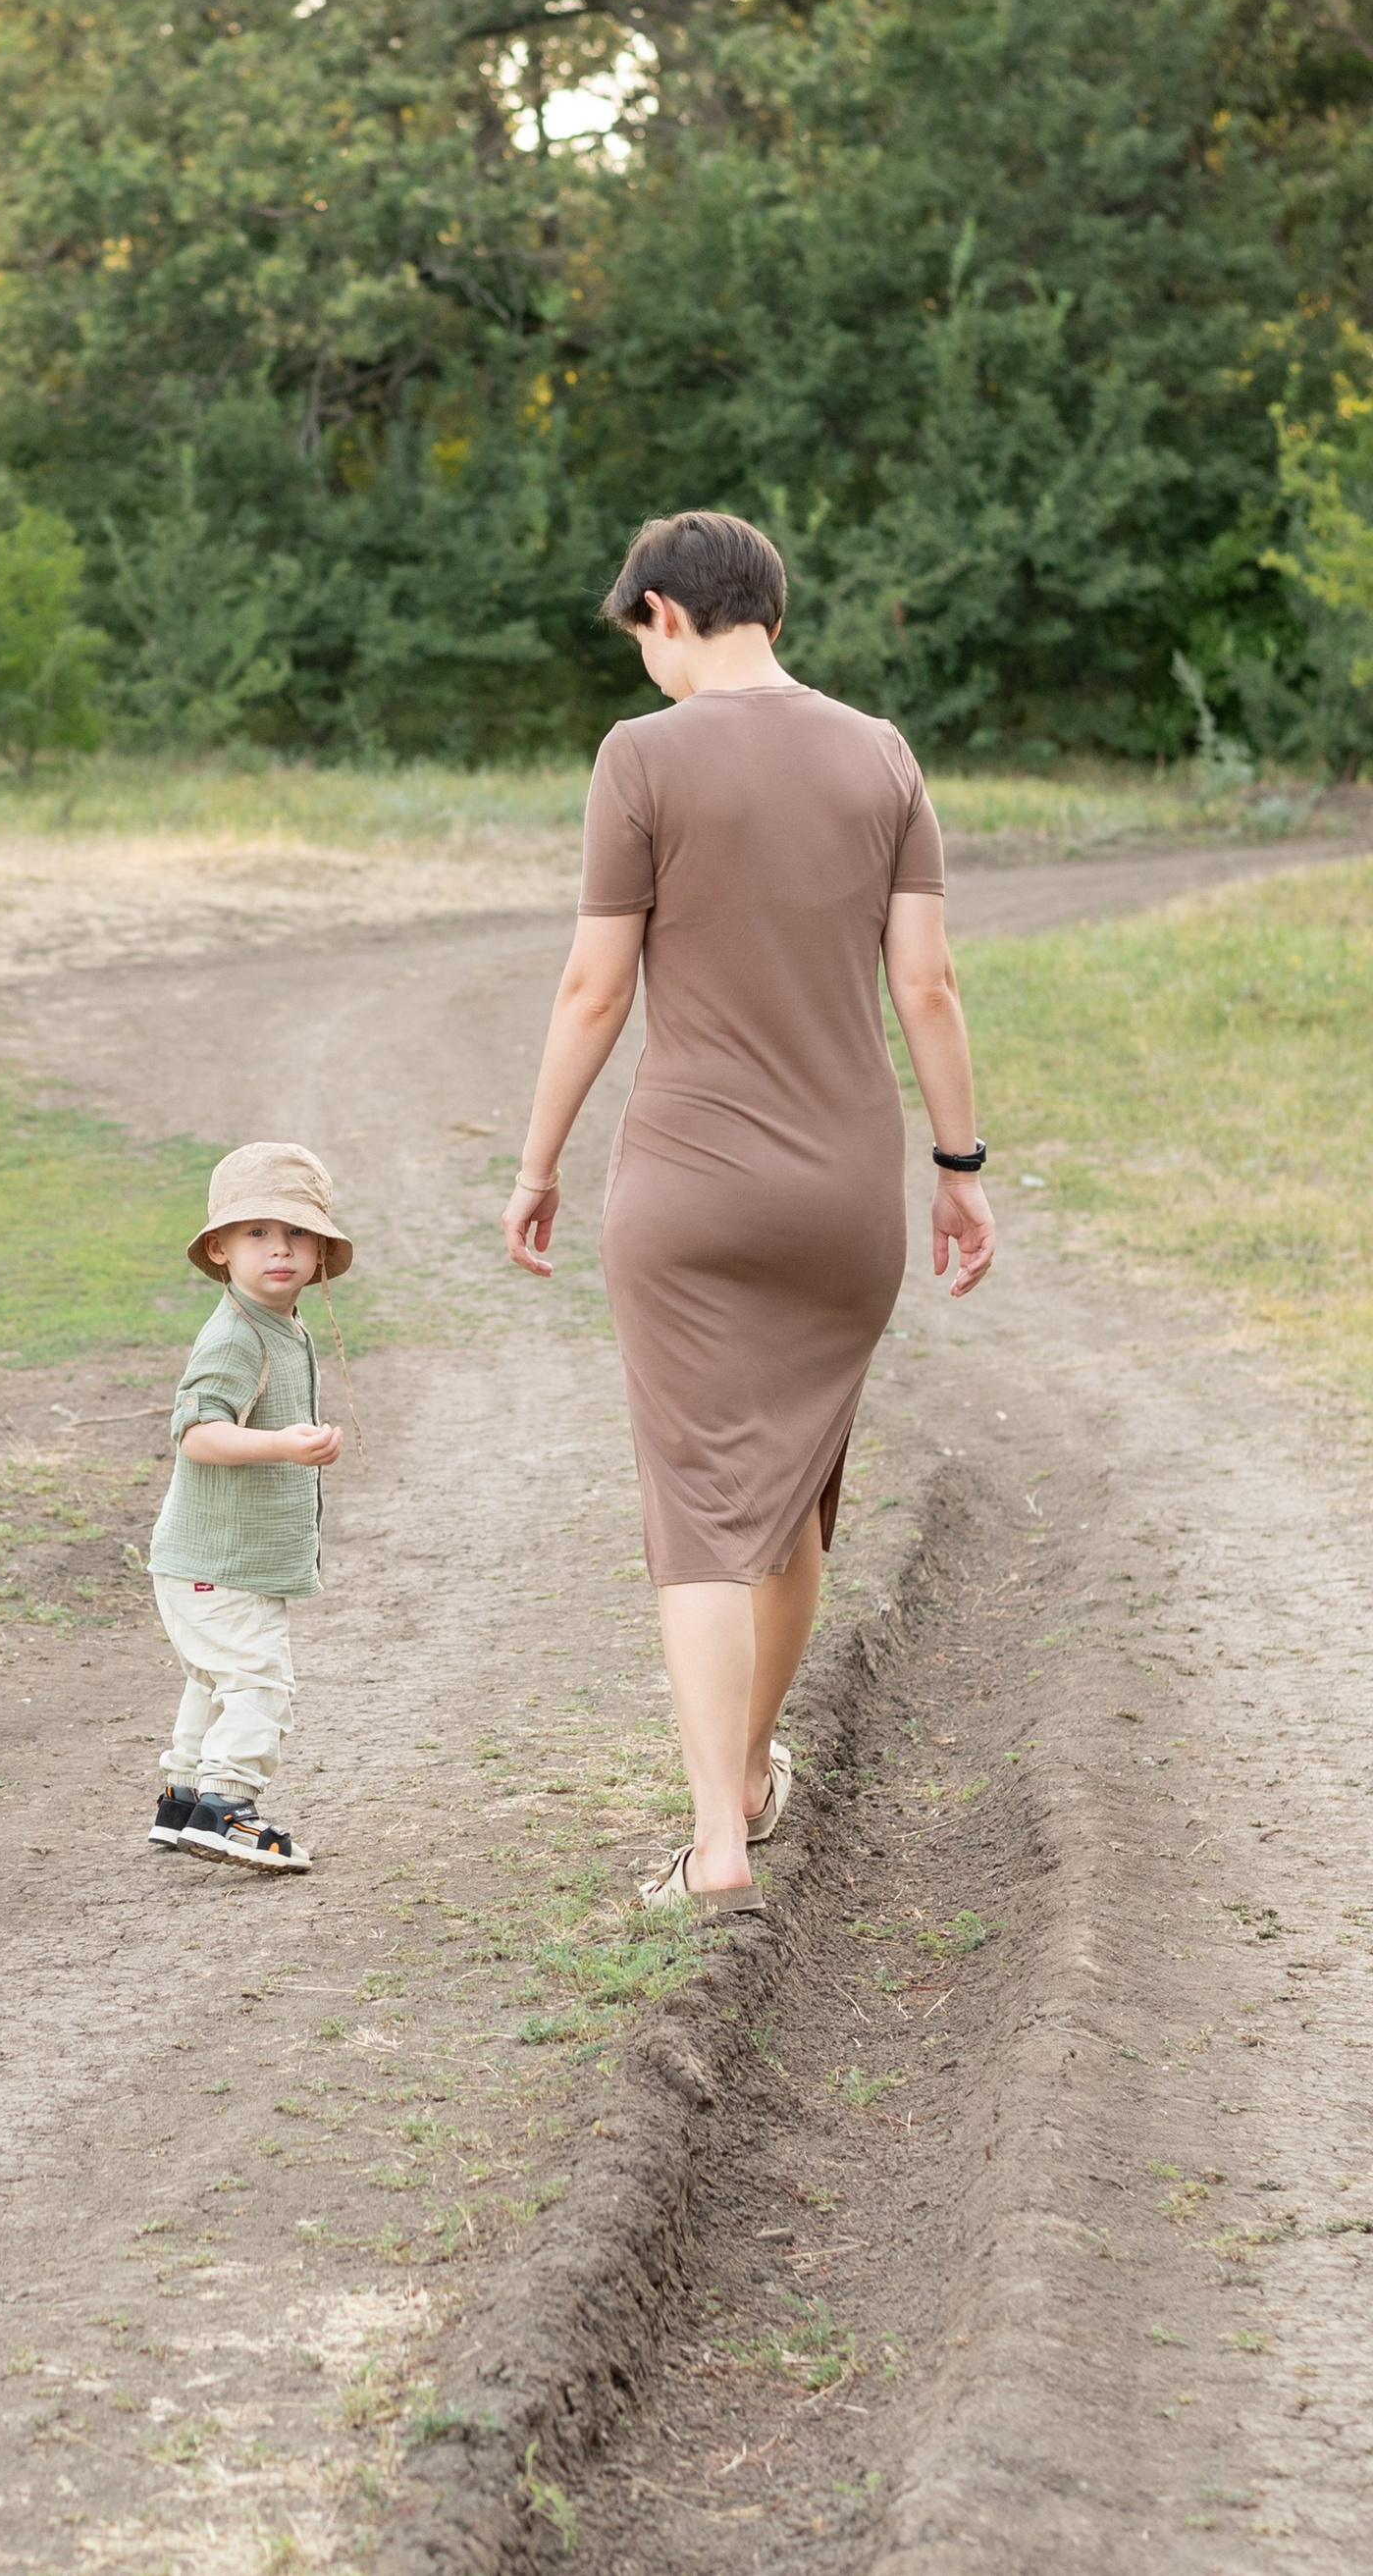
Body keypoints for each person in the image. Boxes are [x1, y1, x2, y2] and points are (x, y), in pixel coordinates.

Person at [502, 510, 994, 1912]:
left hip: (691, 1188)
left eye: (639, 639)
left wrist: (537, 1162)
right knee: (791, 1509)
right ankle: (761, 1754)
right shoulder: (882, 750)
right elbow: (929, 985)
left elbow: (595, 988)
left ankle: (716, 1833)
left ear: (665, 612)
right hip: (847, 1196)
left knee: (704, 1511)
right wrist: (960, 1168)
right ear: (768, 605)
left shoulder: (640, 756)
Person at [146, 1143, 349, 1875]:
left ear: (321, 1250)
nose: (280, 1249)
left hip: (215, 1563)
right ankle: (226, 1806)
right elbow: (197, 1434)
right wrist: (281, 1446)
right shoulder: (234, 1334)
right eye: (257, 1233)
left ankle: (182, 1796)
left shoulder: (279, 1324)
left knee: (215, 1679)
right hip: (218, 1565)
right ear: (220, 1247)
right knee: (259, 1681)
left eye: (296, 1234)